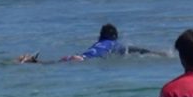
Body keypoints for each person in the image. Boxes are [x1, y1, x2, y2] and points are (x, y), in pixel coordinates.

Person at [17, 23, 160, 63]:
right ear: (115, 36)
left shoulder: (98, 44)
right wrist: (158, 53)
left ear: (100, 36)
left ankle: (31, 60)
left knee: (54, 63)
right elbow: (138, 50)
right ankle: (33, 61)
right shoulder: (115, 44)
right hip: (80, 60)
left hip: (75, 56)